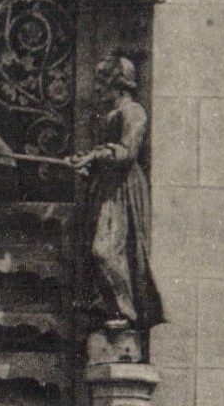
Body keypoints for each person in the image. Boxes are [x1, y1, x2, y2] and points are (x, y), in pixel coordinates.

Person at [71, 54, 165, 341]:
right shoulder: (110, 114)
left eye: (102, 83)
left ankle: (126, 312)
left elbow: (126, 152)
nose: (97, 90)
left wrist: (95, 154)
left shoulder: (134, 112)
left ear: (119, 84)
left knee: (105, 250)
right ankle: (112, 310)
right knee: (96, 250)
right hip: (106, 189)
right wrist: (87, 163)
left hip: (122, 190)